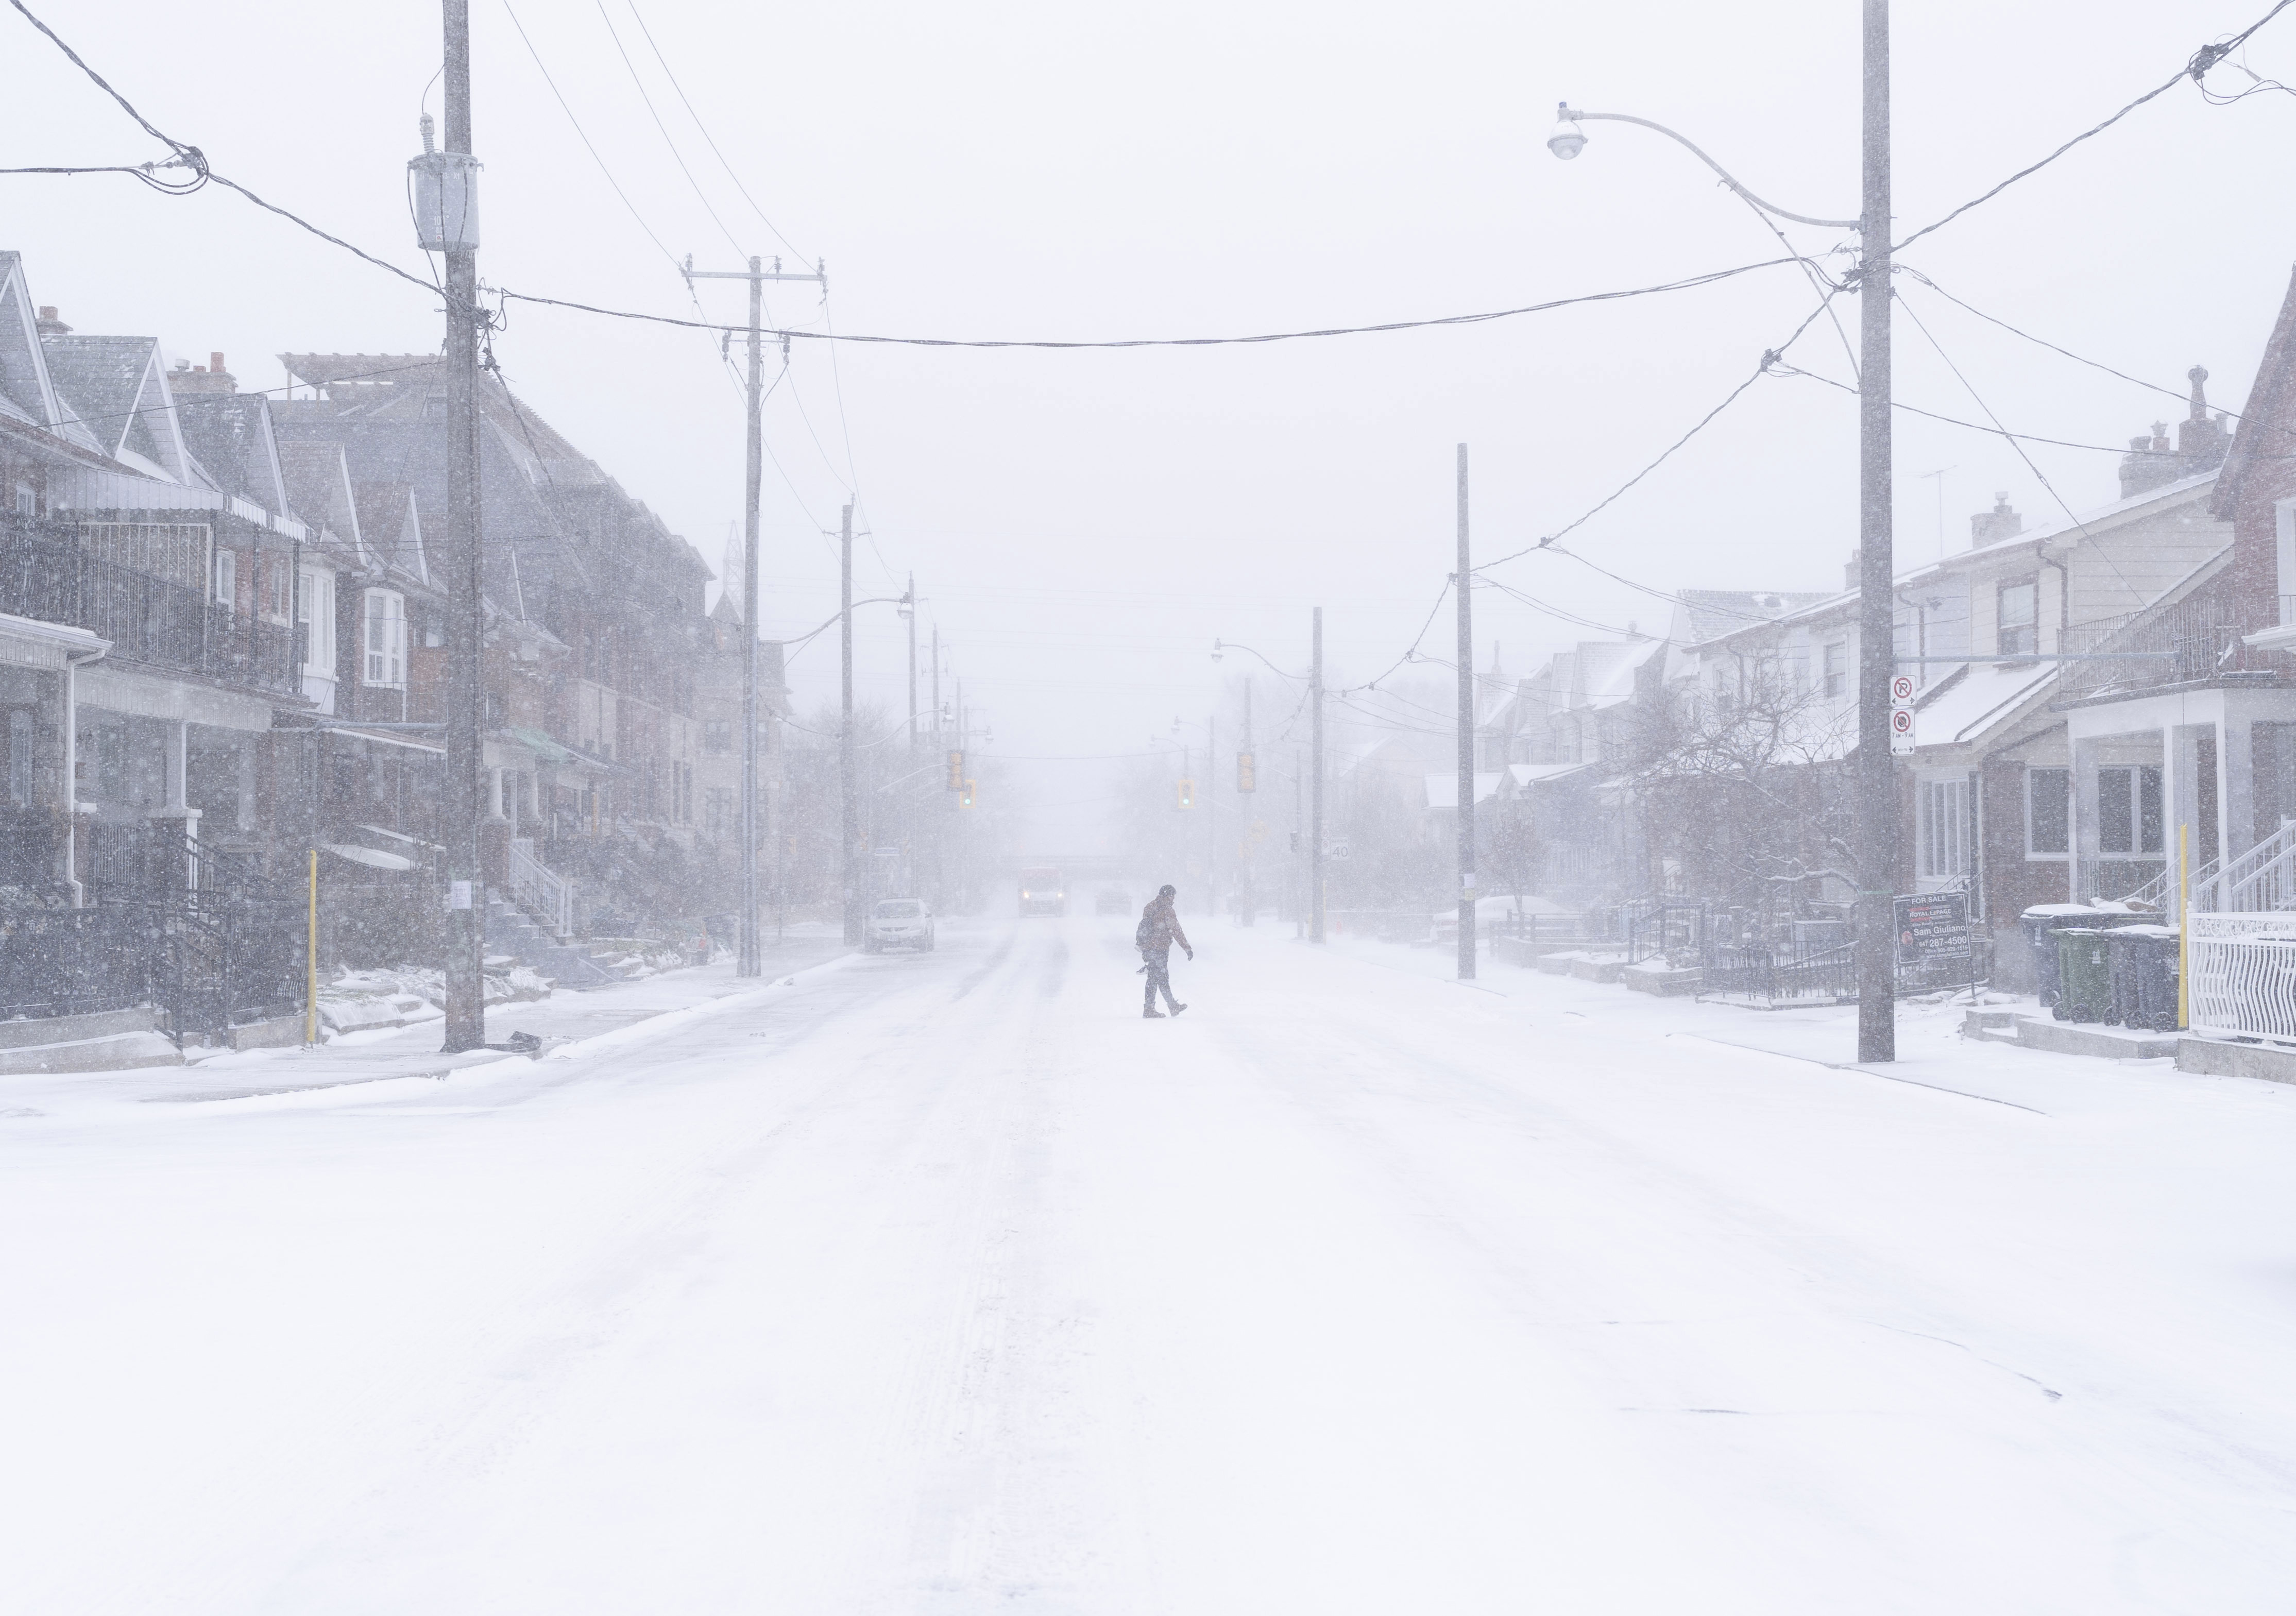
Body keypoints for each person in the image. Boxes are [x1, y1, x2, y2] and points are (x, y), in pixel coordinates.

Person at [1136, 883, 1192, 1018]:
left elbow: (1147, 927)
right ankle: (1165, 1007)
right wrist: (1187, 947)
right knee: (1161, 978)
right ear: (1168, 896)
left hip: (1148, 949)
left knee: (1154, 978)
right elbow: (1177, 931)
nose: (1173, 899)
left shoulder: (1150, 907)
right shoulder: (1167, 911)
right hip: (1160, 948)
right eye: (1172, 896)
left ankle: (1156, 1007)